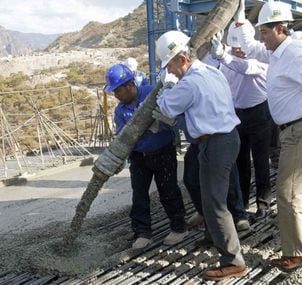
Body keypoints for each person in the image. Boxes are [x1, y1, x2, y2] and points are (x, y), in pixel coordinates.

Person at [234, 1, 302, 270]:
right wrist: (241, 24)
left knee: (289, 194)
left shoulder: (297, 57)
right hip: (295, 128)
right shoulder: (278, 52)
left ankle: (298, 252)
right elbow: (253, 48)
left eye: (265, 32)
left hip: (301, 130)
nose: (261, 38)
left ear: (281, 28)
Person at [155, 30, 247, 281]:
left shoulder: (190, 83)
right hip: (223, 139)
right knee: (205, 193)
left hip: (216, 143)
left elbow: (166, 106)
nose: (170, 71)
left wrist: (166, 89)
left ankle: (233, 260)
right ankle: (213, 236)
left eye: (170, 65)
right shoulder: (211, 71)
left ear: (182, 59)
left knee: (216, 204)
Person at [104, 63, 187, 250]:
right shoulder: (120, 110)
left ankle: (179, 227)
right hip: (138, 157)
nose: (116, 95)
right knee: (139, 195)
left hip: (162, 151)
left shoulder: (152, 93)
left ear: (129, 85)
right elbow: (121, 136)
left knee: (168, 191)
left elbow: (173, 117)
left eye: (117, 91)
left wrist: (163, 125)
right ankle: (142, 233)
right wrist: (117, 155)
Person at [210, 21, 272, 219]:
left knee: (261, 159)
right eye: (234, 48)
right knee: (241, 160)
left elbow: (245, 68)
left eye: (240, 48)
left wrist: (224, 55)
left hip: (260, 112)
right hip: (237, 114)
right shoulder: (227, 60)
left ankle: (264, 202)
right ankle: (242, 201)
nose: (238, 51)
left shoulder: (261, 55)